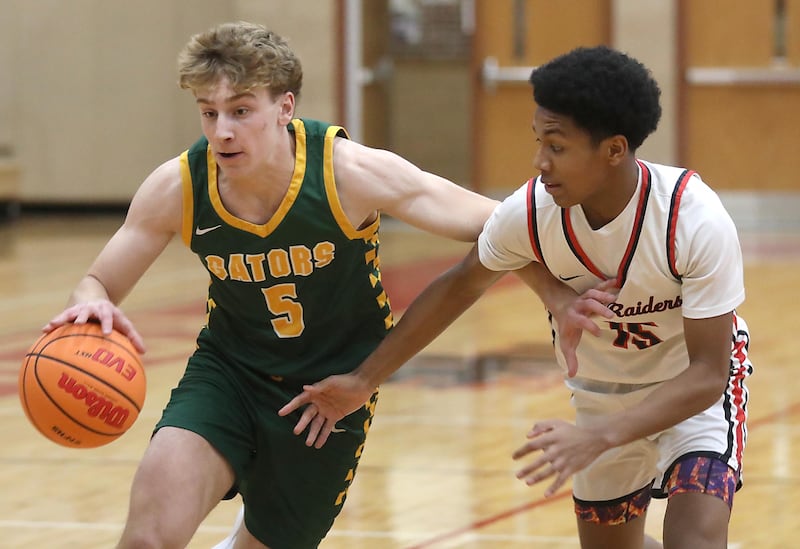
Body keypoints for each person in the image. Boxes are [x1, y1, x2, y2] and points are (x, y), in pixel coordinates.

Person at [40, 20, 565, 549]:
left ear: (285, 108)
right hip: (228, 375)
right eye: (209, 112)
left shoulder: (348, 173)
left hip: (330, 395)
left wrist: (557, 298)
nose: (222, 130)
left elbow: (499, 226)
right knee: (146, 540)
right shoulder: (179, 186)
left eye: (241, 111)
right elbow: (97, 281)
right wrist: (89, 307)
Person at [281, 46, 753, 549]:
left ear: (614, 149)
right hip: (600, 392)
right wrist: (362, 380)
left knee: (695, 538)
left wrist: (602, 436)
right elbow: (459, 285)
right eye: (538, 141)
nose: (539, 161)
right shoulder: (532, 211)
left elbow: (708, 372)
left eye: (557, 146)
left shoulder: (692, 218)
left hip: (692, 396)